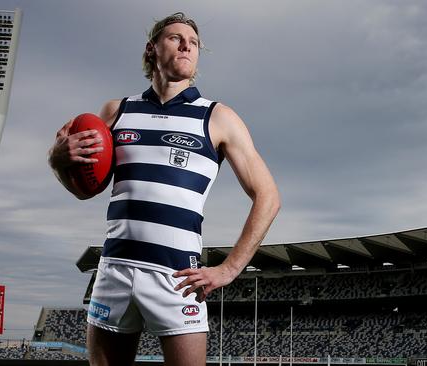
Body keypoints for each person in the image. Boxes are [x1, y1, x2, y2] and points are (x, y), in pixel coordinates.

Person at [48, 12, 280, 366]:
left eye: (195, 42)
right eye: (175, 37)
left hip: (176, 276)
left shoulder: (218, 117)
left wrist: (228, 269)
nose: (187, 45)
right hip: (115, 269)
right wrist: (58, 160)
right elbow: (85, 190)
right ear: (151, 48)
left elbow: (268, 196)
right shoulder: (117, 110)